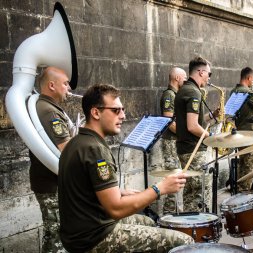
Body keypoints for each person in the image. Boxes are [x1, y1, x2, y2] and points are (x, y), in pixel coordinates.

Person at [58, 84, 193, 252]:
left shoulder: (78, 141)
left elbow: (84, 189)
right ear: (95, 112)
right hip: (94, 237)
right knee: (185, 242)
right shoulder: (94, 149)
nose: (123, 115)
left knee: (149, 222)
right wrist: (160, 188)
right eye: (116, 110)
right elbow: (116, 209)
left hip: (81, 230)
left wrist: (120, 191)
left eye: (122, 109)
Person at [29, 66, 72, 252]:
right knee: (58, 238)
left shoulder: (45, 106)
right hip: (51, 184)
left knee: (52, 234)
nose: (69, 88)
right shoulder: (49, 112)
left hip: (49, 181)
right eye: (65, 83)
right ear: (52, 85)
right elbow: (67, 149)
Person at [174, 56, 218, 212]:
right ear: (200, 72)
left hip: (185, 148)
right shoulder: (193, 92)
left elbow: (193, 121)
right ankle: (197, 231)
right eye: (209, 74)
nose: (209, 78)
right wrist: (211, 137)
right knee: (199, 195)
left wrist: (211, 117)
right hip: (194, 149)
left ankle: (189, 229)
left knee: (190, 194)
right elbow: (192, 126)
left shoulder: (184, 89)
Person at [160, 67, 187, 213]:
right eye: (184, 77)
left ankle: (176, 214)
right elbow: (168, 121)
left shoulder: (176, 94)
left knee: (178, 180)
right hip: (170, 142)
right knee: (173, 180)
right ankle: (169, 215)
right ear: (177, 78)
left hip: (175, 142)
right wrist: (185, 135)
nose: (186, 79)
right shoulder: (169, 95)